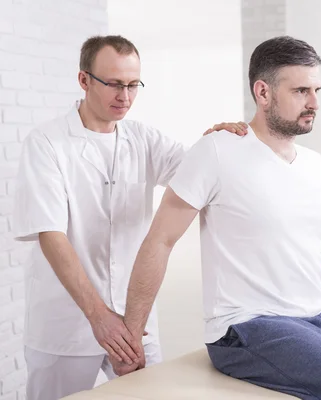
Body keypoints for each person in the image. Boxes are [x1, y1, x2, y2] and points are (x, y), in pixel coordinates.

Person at [116, 35, 321, 399]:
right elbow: (160, 241)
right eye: (301, 91)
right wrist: (131, 336)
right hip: (248, 327)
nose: (315, 103)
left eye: (317, 90)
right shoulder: (216, 151)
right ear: (263, 93)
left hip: (319, 314)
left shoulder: (314, 164)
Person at [12, 34, 248, 400]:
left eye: (133, 84)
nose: (125, 96)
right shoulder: (46, 143)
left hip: (135, 321)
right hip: (66, 324)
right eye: (114, 84)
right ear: (84, 80)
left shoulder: (145, 139)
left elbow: (200, 176)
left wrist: (218, 143)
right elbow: (51, 235)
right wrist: (98, 316)